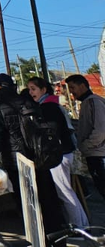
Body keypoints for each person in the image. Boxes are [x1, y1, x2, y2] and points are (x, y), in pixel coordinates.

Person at [0, 73, 65, 231]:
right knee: (47, 199)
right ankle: (56, 235)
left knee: (27, 203)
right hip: (40, 156)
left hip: (17, 161)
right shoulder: (28, 101)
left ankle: (36, 236)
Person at [27, 76, 88, 228]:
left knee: (65, 192)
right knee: (67, 191)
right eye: (29, 90)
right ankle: (83, 225)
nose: (30, 93)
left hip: (58, 154)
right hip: (64, 152)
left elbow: (51, 133)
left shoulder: (48, 107)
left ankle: (78, 227)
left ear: (43, 90)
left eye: (33, 89)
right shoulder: (52, 105)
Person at [65, 73, 105, 199]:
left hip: (99, 154)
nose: (71, 92)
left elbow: (100, 131)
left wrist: (84, 146)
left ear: (82, 86)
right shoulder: (87, 103)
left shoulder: (94, 102)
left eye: (72, 87)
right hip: (94, 154)